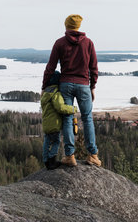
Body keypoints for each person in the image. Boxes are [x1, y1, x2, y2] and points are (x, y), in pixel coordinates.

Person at [42, 14, 101, 167]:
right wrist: (92, 86)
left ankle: (70, 156)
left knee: (68, 118)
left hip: (65, 84)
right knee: (87, 118)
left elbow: (50, 67)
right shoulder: (88, 43)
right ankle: (92, 155)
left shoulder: (60, 43)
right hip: (83, 85)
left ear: (66, 26)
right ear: (78, 26)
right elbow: (93, 68)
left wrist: (44, 87)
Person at [41, 71, 77, 170]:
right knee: (56, 141)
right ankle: (52, 160)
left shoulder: (45, 94)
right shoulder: (55, 93)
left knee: (47, 141)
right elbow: (60, 107)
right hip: (54, 123)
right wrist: (73, 109)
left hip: (46, 123)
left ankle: (46, 160)